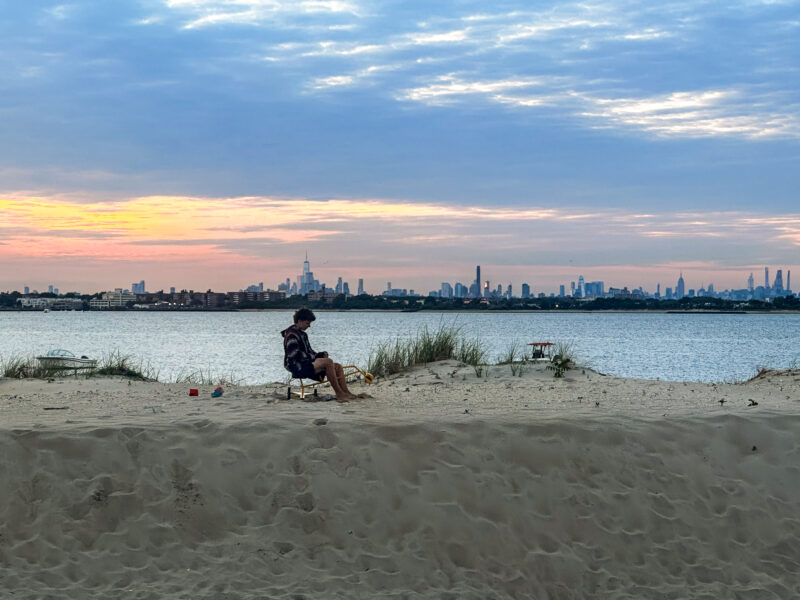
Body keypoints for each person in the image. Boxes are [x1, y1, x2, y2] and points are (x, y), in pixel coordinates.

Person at [281, 308, 358, 402]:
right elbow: (293, 355)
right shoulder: (291, 335)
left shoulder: (303, 335)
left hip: (304, 363)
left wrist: (319, 355)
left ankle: (346, 392)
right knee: (328, 362)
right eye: (307, 323)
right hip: (296, 366)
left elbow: (309, 352)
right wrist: (314, 357)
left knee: (338, 366)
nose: (309, 326)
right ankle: (339, 394)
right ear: (299, 321)